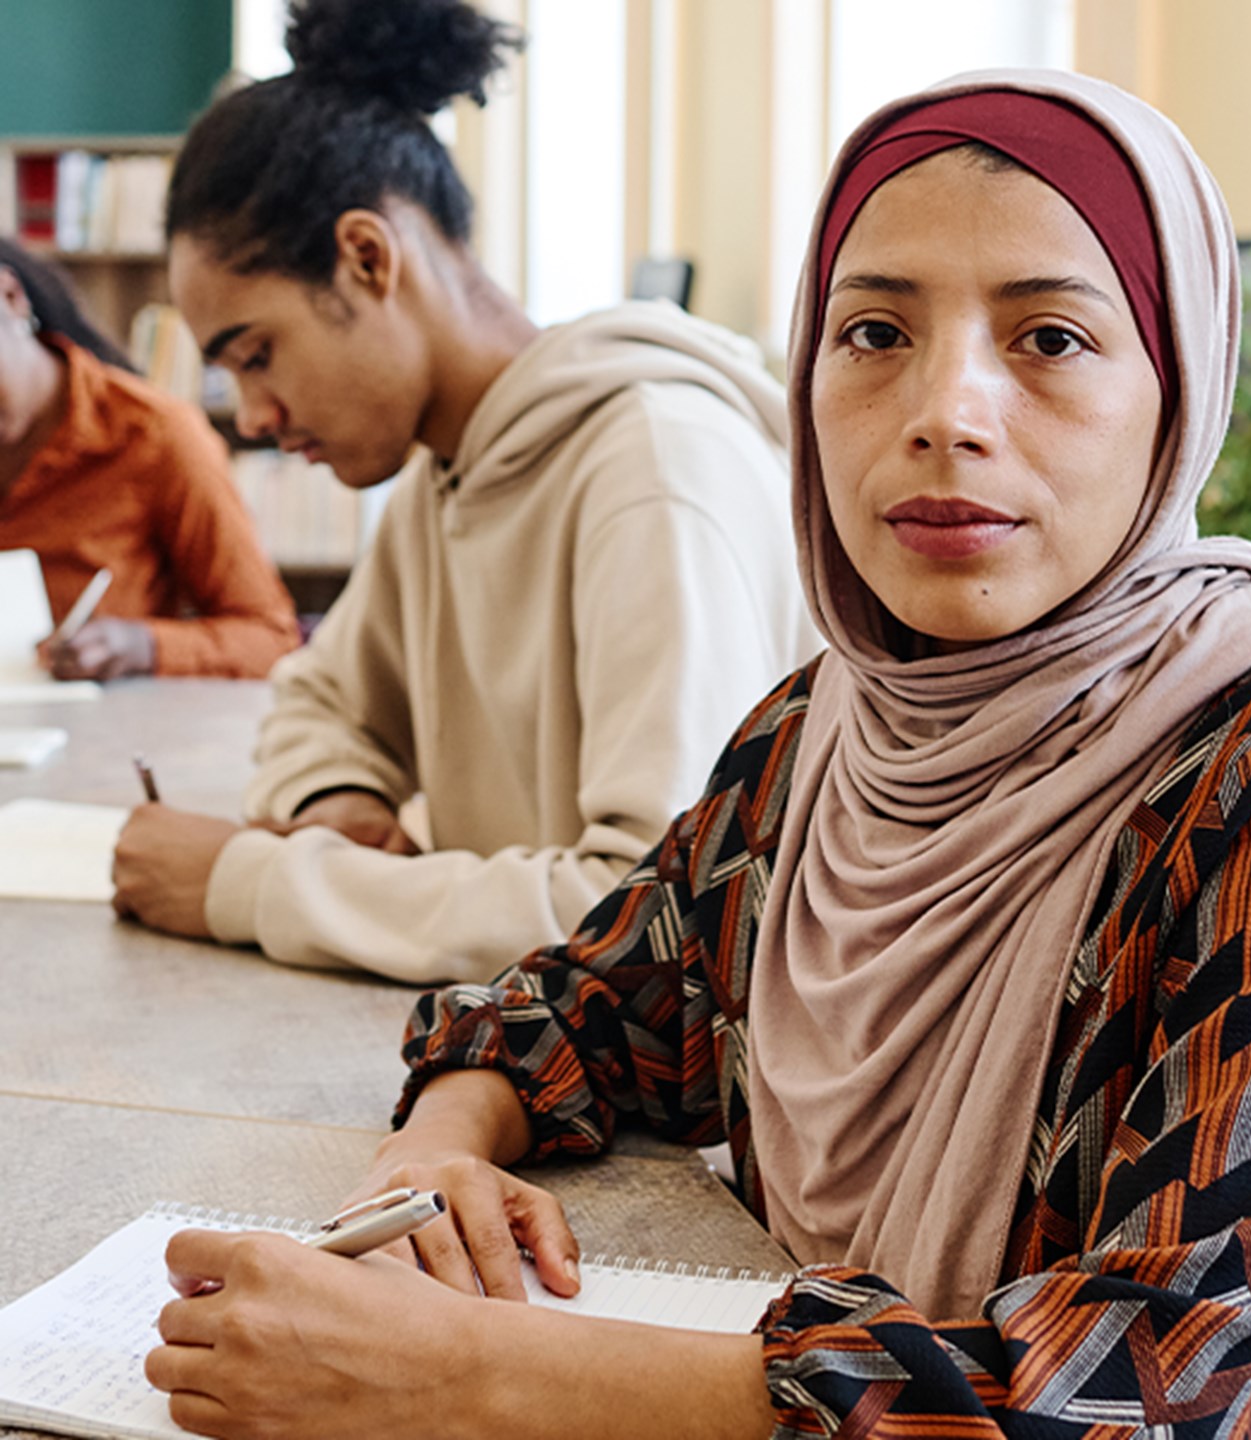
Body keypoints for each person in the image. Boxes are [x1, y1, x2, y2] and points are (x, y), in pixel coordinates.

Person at [144, 70, 1251, 1438]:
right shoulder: (833, 725)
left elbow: (1161, 1383)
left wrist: (462, 1376)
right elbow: (591, 1000)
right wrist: (439, 1150)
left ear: (1178, 391)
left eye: (1049, 339)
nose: (948, 412)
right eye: (873, 332)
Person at [109, 0, 817, 983]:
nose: (258, 417)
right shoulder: (449, 470)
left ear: (368, 258)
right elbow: (318, 700)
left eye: (258, 355)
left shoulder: (655, 470)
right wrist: (337, 803)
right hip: (525, 1060)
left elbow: (663, 921)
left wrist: (254, 883)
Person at [0, 237, 301, 679]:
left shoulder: (156, 436)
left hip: (106, 739)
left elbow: (271, 638)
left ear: (10, 298)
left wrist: (143, 646)